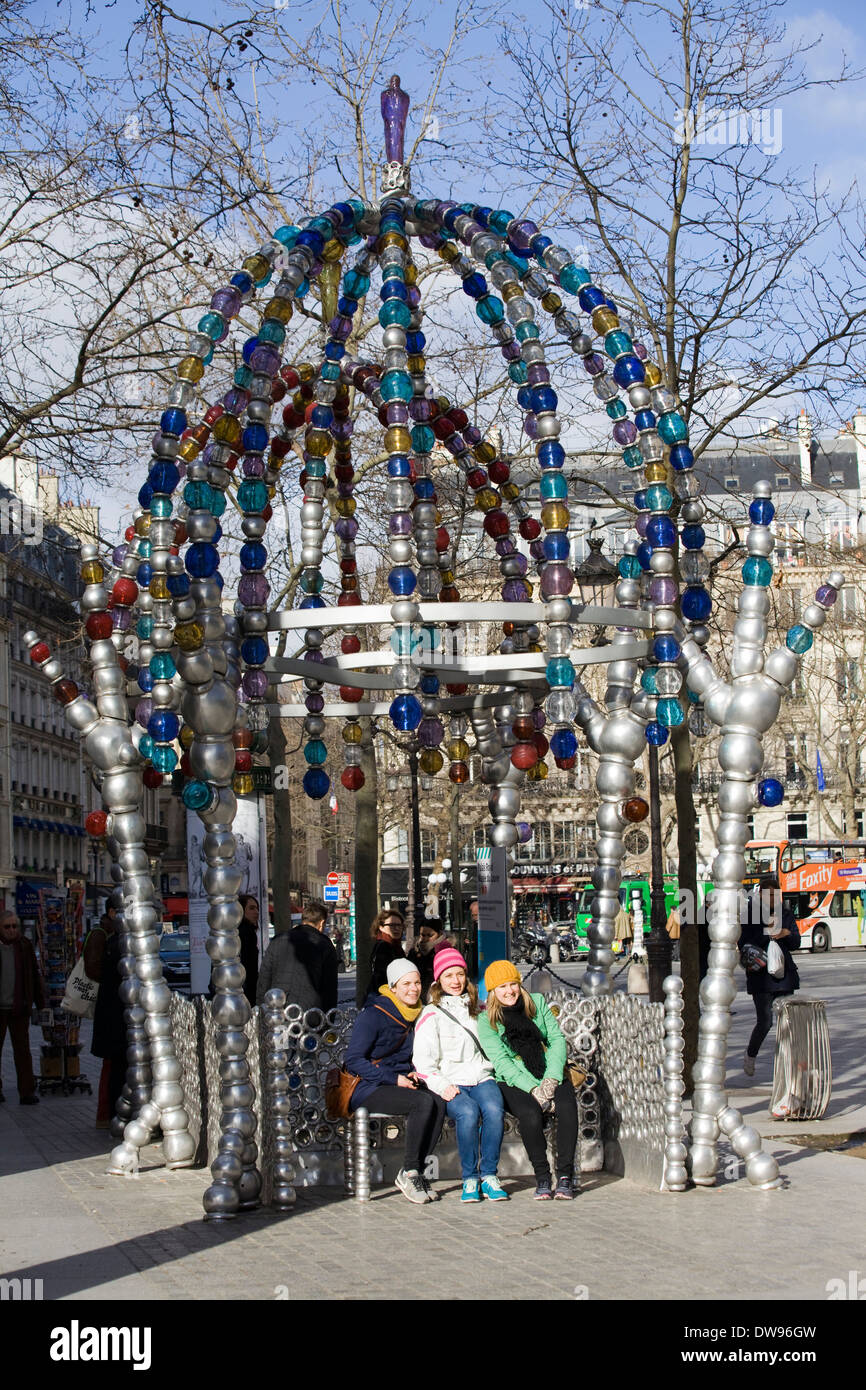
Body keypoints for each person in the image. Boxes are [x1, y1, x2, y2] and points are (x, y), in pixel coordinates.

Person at [344, 958, 445, 1204]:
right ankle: (409, 1172)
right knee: (421, 1103)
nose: (413, 989)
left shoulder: (419, 1012)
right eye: (406, 984)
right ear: (392, 988)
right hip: (367, 1085)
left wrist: (411, 1072)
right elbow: (354, 1060)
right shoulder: (374, 1015)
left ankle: (417, 1170)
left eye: (417, 982)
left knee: (439, 1102)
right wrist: (393, 1078)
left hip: (399, 1080)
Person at [478, 960, 579, 1200]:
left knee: (567, 1107)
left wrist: (551, 1080)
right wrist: (534, 1089)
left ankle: (565, 1176)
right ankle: (543, 1176)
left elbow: (555, 1040)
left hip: (549, 1071)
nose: (509, 991)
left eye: (513, 984)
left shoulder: (537, 1003)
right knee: (530, 1114)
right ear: (493, 991)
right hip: (515, 1080)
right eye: (502, 986)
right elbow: (503, 1062)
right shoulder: (487, 1021)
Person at [413, 948, 507, 1203]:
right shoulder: (431, 1014)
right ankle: (470, 1178)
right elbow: (423, 1061)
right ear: (438, 982)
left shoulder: (480, 1009)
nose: (455, 981)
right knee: (467, 1114)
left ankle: (489, 1175)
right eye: (448, 976)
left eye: (460, 974)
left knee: (494, 1110)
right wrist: (442, 1085)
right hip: (450, 1080)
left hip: (481, 1075)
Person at [740, 887, 801, 1076]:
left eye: (776, 895)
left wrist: (786, 934)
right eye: (769, 895)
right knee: (765, 1022)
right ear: (760, 895)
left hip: (784, 975)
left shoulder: (786, 914)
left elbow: (796, 943)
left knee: (788, 1023)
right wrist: (768, 932)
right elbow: (743, 943)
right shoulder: (750, 914)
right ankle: (751, 1054)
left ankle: (789, 1064)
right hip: (761, 976)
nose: (774, 898)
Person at [0, 910, 44, 1104]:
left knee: (23, 1051)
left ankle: (26, 1091)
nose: (11, 930)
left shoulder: (24, 946)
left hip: (20, 1006)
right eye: (7, 926)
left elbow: (34, 976)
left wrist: (41, 1004)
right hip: (0, 1008)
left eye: (14, 926)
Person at [288, 900, 338, 1011]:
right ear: (321, 923)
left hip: (281, 1012)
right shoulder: (325, 945)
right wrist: (329, 1017)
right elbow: (329, 986)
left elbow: (265, 978)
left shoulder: (278, 941)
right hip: (312, 1014)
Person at [407, 918, 452, 999]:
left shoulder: (446, 950)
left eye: (430, 935)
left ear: (439, 933)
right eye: (422, 935)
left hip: (439, 996)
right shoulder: (414, 951)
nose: (425, 939)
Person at [367, 908, 406, 995]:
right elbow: (381, 978)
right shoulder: (384, 946)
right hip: (386, 996)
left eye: (399, 925)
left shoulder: (396, 947)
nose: (396, 928)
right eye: (392, 925)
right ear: (381, 927)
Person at [238, 894, 260, 1006]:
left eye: (257, 908)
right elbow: (248, 964)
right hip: (244, 991)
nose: (256, 912)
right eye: (251, 908)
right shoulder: (246, 932)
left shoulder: (238, 931)